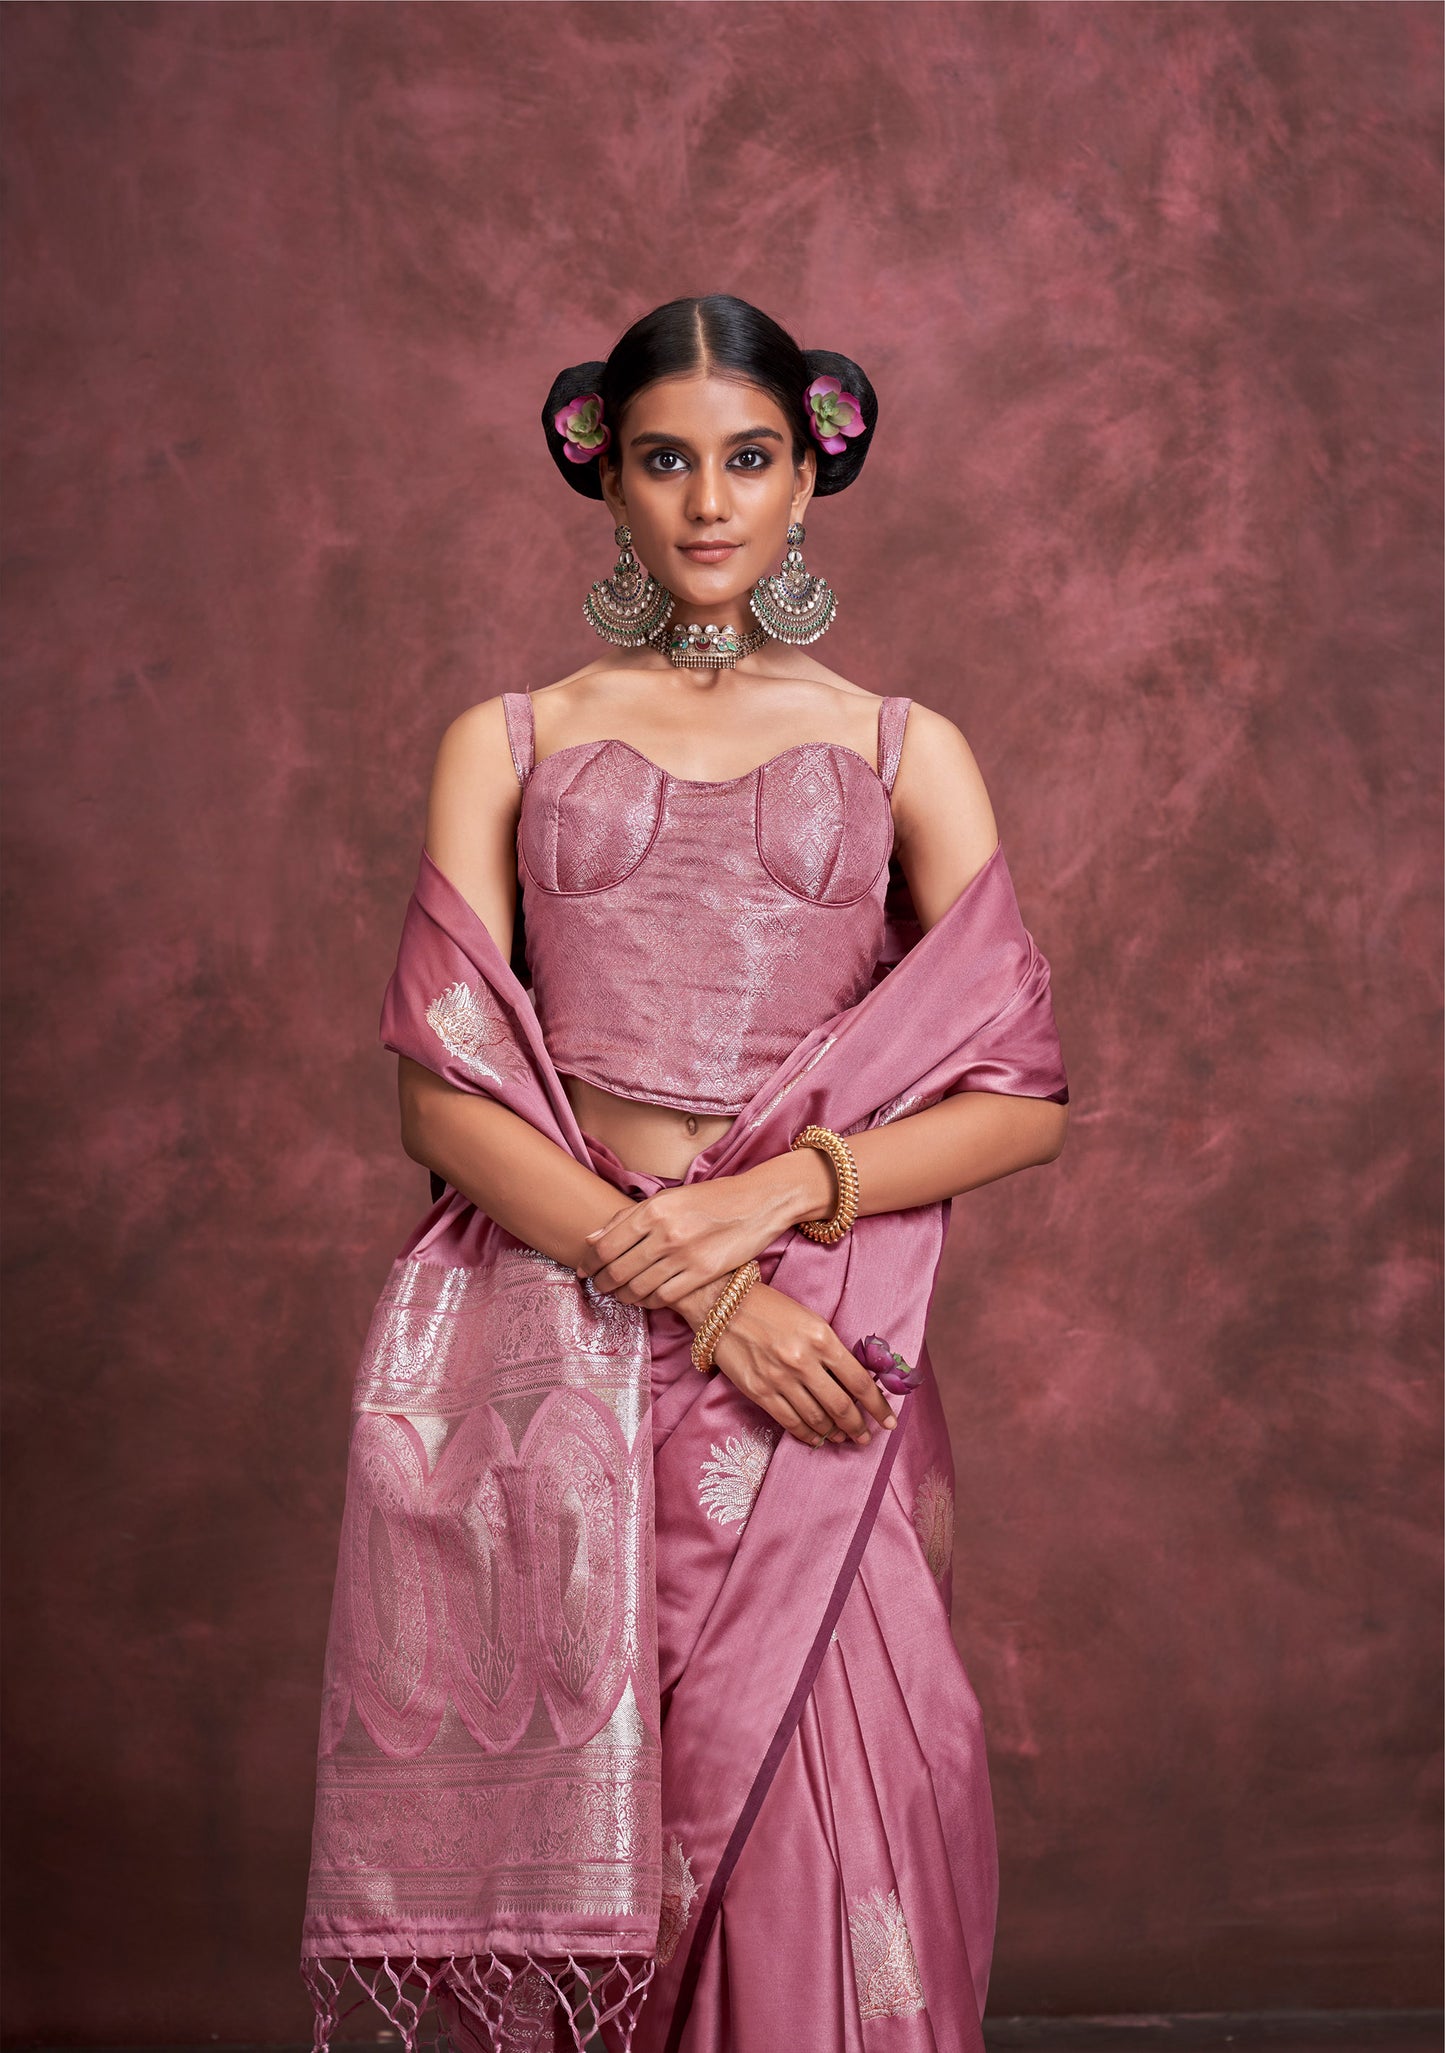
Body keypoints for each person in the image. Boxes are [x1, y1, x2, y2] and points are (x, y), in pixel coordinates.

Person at [299, 294, 1070, 2053]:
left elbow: (1018, 1096)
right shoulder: (508, 737)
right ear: (605, 475)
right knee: (602, 1830)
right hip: (562, 1338)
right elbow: (441, 1096)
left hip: (820, 1339)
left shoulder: (901, 746)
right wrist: (700, 1289)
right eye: (665, 461)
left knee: (851, 1789)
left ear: (810, 472)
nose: (707, 503)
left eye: (747, 459)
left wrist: (775, 1200)